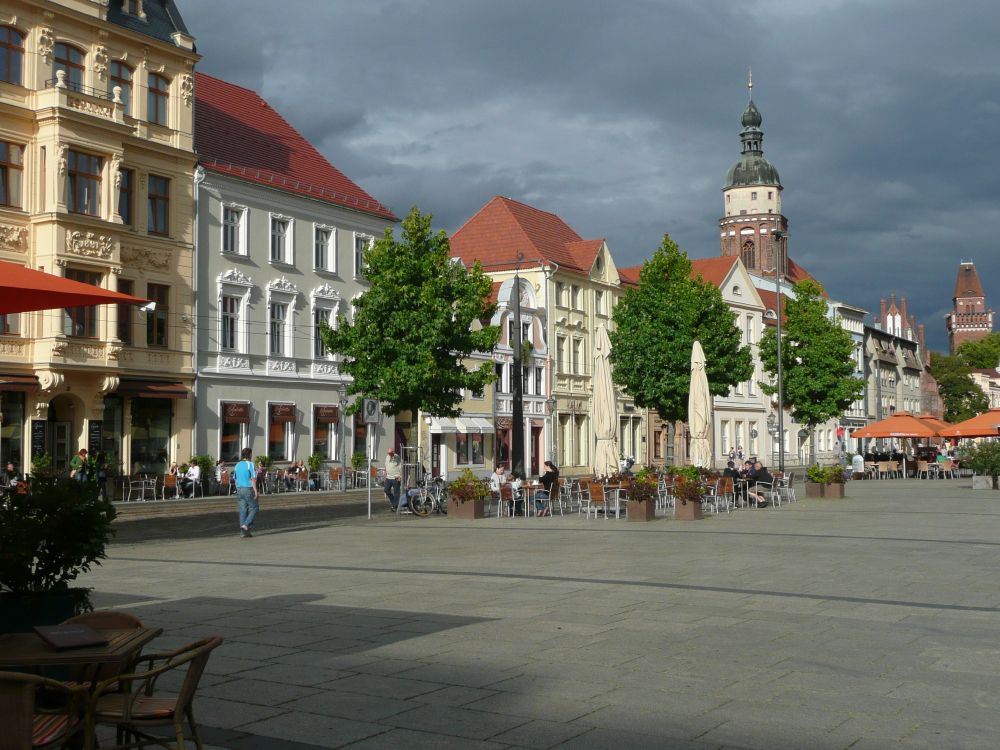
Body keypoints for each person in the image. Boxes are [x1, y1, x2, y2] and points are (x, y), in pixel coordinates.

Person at [234, 447, 258, 538]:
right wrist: (255, 491)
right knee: (254, 508)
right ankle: (246, 524)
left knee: (242, 510)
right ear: (250, 455)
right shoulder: (250, 464)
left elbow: (235, 479)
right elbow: (253, 479)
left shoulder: (237, 465)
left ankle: (244, 533)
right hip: (248, 488)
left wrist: (237, 489)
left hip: (239, 488)